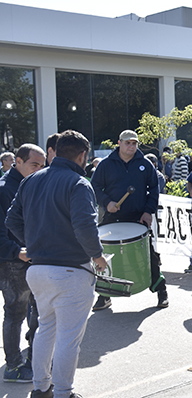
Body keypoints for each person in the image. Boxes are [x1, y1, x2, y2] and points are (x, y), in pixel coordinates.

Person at [6, 130, 108, 398]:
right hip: (70, 270)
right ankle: (64, 392)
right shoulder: (79, 182)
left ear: (55, 151)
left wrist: (36, 242)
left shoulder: (31, 180)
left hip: (38, 269)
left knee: (45, 330)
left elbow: (11, 221)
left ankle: (42, 388)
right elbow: (85, 226)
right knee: (67, 338)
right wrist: (97, 256)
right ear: (83, 155)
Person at [90, 129, 168, 310]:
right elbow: (94, 186)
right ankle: (104, 295)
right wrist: (107, 202)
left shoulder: (145, 164)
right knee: (106, 258)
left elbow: (154, 189)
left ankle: (161, 290)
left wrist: (148, 211)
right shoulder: (106, 164)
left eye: (134, 143)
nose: (131, 146)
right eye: (127, 143)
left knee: (149, 256)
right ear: (119, 143)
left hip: (138, 216)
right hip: (112, 217)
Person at [0, 144, 46, 383]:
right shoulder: (5, 189)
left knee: (39, 310)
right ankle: (13, 365)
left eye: (42, 165)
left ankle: (33, 357)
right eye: (34, 165)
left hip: (35, 259)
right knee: (15, 313)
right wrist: (17, 251)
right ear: (16, 161)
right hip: (12, 262)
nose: (39, 169)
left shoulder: (34, 183)